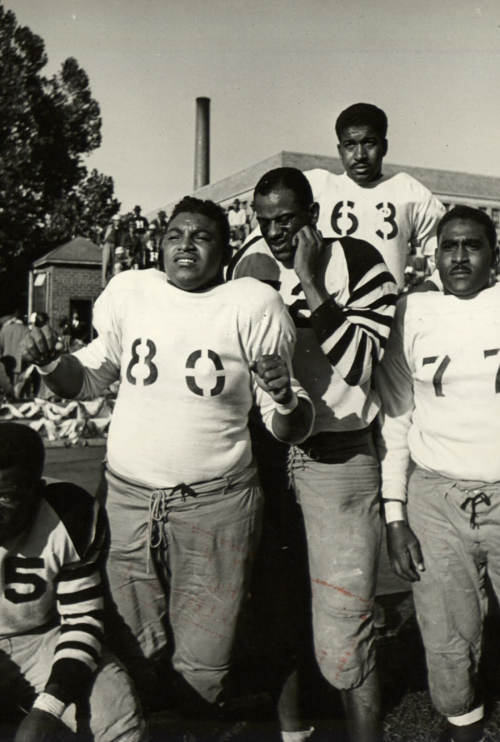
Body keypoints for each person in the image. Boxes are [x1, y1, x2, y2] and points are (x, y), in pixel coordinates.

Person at [21, 196, 315, 720]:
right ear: (159, 245)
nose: (184, 243)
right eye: (176, 234)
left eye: (201, 236)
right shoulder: (131, 291)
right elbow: (87, 380)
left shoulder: (251, 303)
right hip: (128, 501)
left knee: (205, 661)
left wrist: (287, 397)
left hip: (215, 505)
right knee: (131, 648)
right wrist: (50, 364)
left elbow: (286, 423)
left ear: (224, 252)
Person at [229, 167, 397, 742]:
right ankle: (294, 735)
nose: (276, 234)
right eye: (265, 222)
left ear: (312, 216)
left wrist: (310, 282)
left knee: (346, 622)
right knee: (278, 609)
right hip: (271, 454)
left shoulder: (361, 260)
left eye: (288, 221)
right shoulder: (247, 266)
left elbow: (360, 366)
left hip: (339, 455)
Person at [375, 205, 500, 742]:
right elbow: (397, 418)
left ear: (493, 254)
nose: (459, 257)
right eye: (449, 246)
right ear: (433, 253)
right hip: (436, 496)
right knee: (446, 630)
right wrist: (395, 514)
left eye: (472, 245)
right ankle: (463, 719)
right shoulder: (413, 313)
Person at [0, 423, 146, 742]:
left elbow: (81, 620)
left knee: (116, 715)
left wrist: (48, 709)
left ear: (36, 491)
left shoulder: (67, 513)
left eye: (6, 497)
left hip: (42, 638)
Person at [241, 103, 445, 290]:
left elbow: (445, 255)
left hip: (383, 312)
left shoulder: (409, 191)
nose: (360, 155)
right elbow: (257, 242)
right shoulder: (316, 184)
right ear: (340, 149)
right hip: (322, 307)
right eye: (350, 144)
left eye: (369, 143)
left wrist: (416, 297)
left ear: (384, 146)